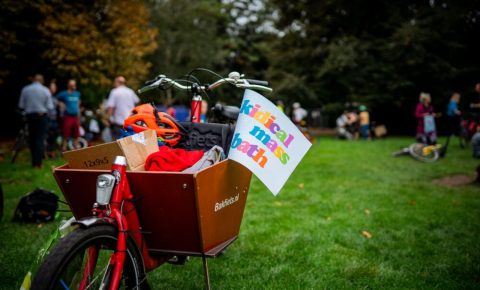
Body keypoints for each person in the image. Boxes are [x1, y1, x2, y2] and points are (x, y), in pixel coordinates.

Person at [17, 74, 54, 168]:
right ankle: (38, 163)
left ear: (33, 80)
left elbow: (21, 105)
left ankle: (34, 162)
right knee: (40, 139)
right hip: (41, 116)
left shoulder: (25, 89)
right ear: (42, 81)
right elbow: (50, 106)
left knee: (32, 139)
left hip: (30, 117)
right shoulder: (45, 90)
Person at [56, 79, 81, 150]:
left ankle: (77, 150)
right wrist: (60, 103)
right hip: (67, 116)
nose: (74, 86)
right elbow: (55, 99)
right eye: (72, 84)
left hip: (75, 116)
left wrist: (79, 116)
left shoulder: (77, 93)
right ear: (69, 85)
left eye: (74, 84)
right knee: (66, 134)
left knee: (76, 134)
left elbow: (78, 104)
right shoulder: (64, 94)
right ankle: (64, 149)